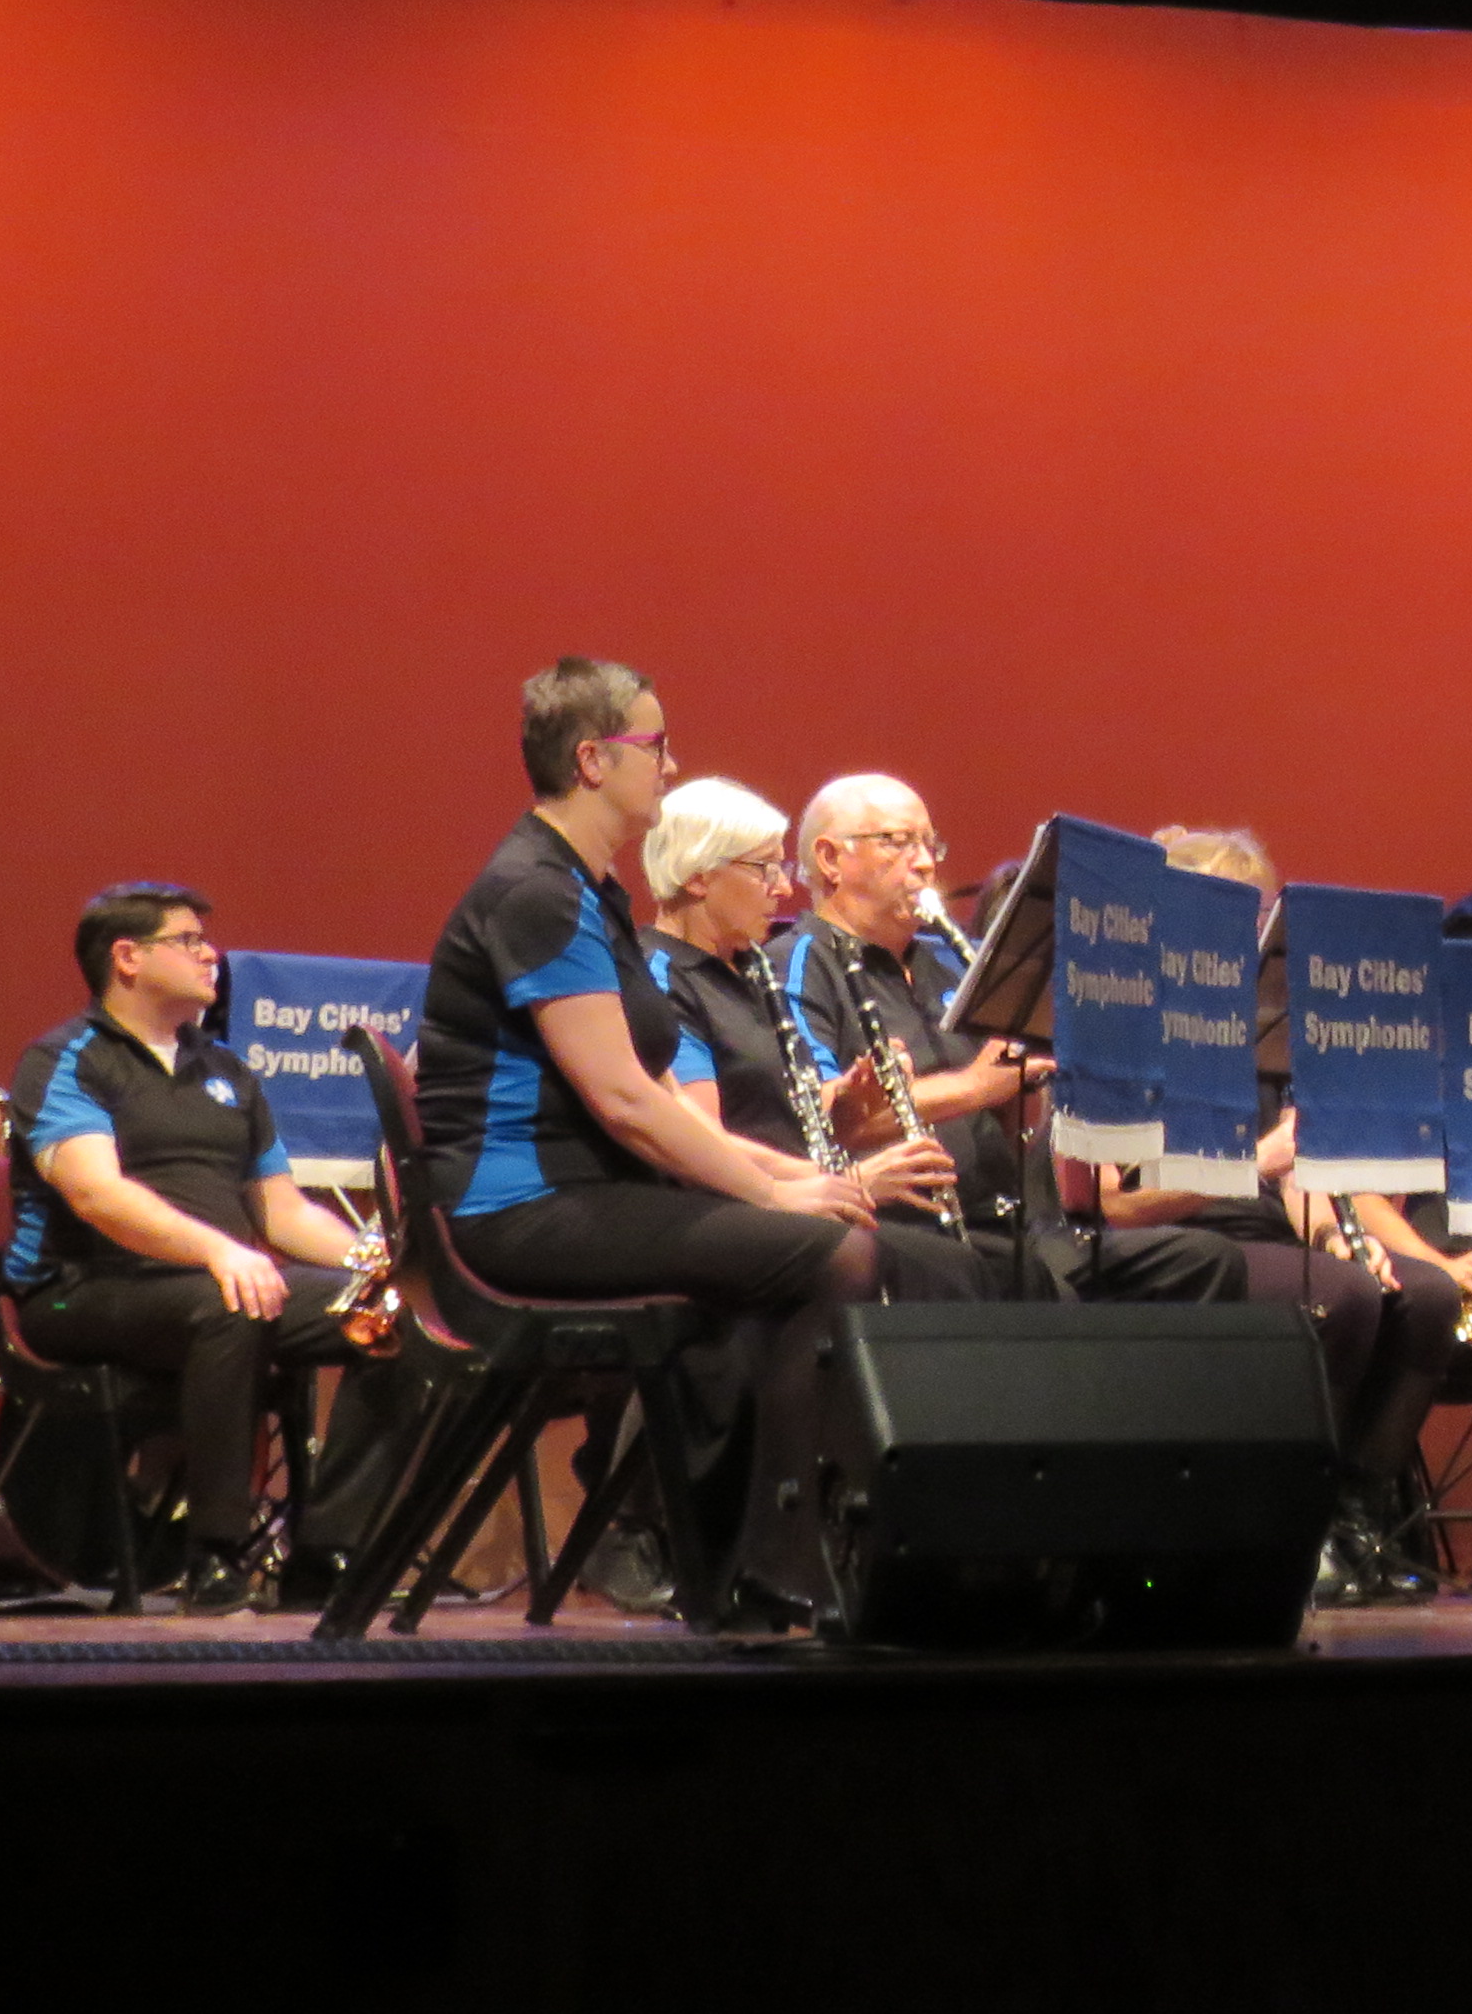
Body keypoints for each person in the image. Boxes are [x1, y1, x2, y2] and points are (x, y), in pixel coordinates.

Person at [410, 657, 885, 1627]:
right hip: (519, 1213)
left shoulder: (589, 892)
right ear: (592, 760)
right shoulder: (536, 892)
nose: (670, 765)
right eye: (655, 745)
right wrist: (774, 1198)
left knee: (814, 1240)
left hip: (579, 1195)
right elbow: (624, 1103)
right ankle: (773, 1558)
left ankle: (728, 1552)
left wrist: (797, 1175)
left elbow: (667, 1100)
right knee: (830, 1256)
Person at [0, 883, 421, 1609]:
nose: (210, 955)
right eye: (188, 940)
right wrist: (219, 1251)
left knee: (398, 1316)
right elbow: (97, 1195)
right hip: (79, 1291)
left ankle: (326, 1551)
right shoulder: (67, 1058)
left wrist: (373, 1260)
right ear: (127, 958)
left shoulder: (228, 1071)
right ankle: (214, 1555)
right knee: (232, 1303)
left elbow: (283, 1212)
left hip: (210, 1282)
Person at [1100, 826, 1465, 1604]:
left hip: (1268, 1234)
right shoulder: (1129, 1027)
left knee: (1426, 1294)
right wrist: (1249, 1164)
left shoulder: (1258, 1036)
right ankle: (1298, 1517)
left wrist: (1338, 1234)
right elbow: (1116, 1203)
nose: (1256, 938)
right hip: (1181, 1242)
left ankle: (1357, 1508)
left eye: (1261, 917)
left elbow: (1294, 1173)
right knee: (1344, 1295)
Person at [771, 772, 1242, 1307]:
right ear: (830, 859)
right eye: (897, 843)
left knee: (1203, 1260)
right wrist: (974, 1087)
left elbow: (1017, 1115)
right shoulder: (798, 964)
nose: (923, 863)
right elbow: (820, 1117)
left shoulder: (959, 962)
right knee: (1024, 1285)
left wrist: (1032, 1083)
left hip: (1020, 1224)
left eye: (929, 844)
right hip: (911, 1227)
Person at [634, 779, 974, 1300]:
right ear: (699, 876)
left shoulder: (751, 971)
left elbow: (787, 1115)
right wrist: (845, 1180)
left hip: (797, 1200)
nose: (782, 889)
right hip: (733, 1214)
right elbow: (696, 1141)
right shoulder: (663, 975)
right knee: (943, 1272)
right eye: (763, 869)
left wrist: (855, 1099)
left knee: (973, 1268)